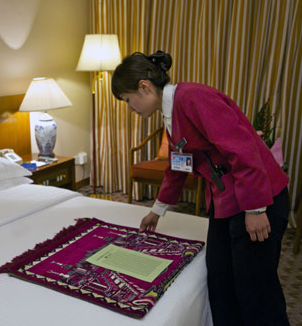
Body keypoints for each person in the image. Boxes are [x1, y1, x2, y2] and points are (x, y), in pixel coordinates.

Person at [112, 51, 290, 325]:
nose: (130, 108)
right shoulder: (171, 113)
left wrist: (255, 208)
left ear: (144, 87)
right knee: (220, 280)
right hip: (226, 201)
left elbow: (242, 148)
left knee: (255, 290)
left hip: (257, 198)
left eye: (127, 100)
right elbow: (178, 164)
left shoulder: (194, 98)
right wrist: (157, 211)